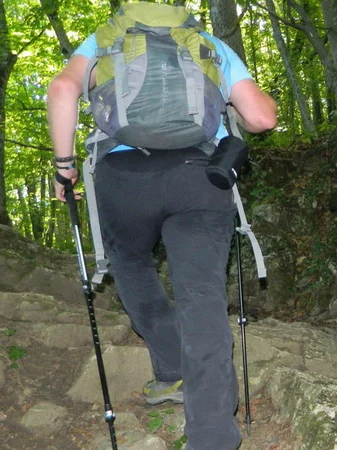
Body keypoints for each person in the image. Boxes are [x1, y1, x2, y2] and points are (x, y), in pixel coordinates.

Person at [46, 4, 277, 449]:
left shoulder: (105, 39)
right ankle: (212, 437)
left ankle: (171, 372)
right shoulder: (206, 44)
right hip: (200, 176)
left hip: (123, 179)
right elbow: (263, 118)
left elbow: (61, 89)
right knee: (202, 296)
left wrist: (64, 166)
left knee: (130, 264)